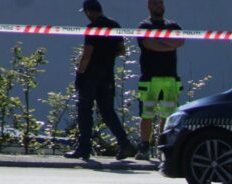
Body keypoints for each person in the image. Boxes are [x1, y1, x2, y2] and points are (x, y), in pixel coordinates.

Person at [65, 0, 137, 161]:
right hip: (107, 76)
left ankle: (84, 148)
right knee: (108, 112)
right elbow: (122, 50)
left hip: (90, 76)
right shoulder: (115, 25)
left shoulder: (92, 28)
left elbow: (88, 52)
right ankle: (125, 144)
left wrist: (80, 72)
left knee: (84, 110)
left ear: (88, 12)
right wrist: (107, 55)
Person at [135, 0, 185, 160]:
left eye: (161, 3)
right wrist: (168, 44)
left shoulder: (173, 26)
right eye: (156, 3)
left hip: (170, 78)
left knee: (168, 115)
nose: (160, 6)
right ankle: (144, 146)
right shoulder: (144, 26)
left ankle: (163, 146)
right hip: (150, 78)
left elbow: (180, 41)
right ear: (149, 6)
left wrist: (161, 42)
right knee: (146, 114)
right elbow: (149, 44)